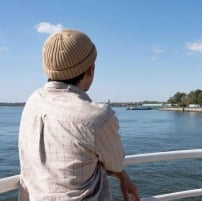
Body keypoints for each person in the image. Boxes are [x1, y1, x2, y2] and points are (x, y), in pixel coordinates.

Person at [18, 29, 140, 201]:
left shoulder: (33, 102)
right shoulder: (98, 117)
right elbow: (115, 162)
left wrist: (122, 176)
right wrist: (122, 175)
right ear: (90, 69)